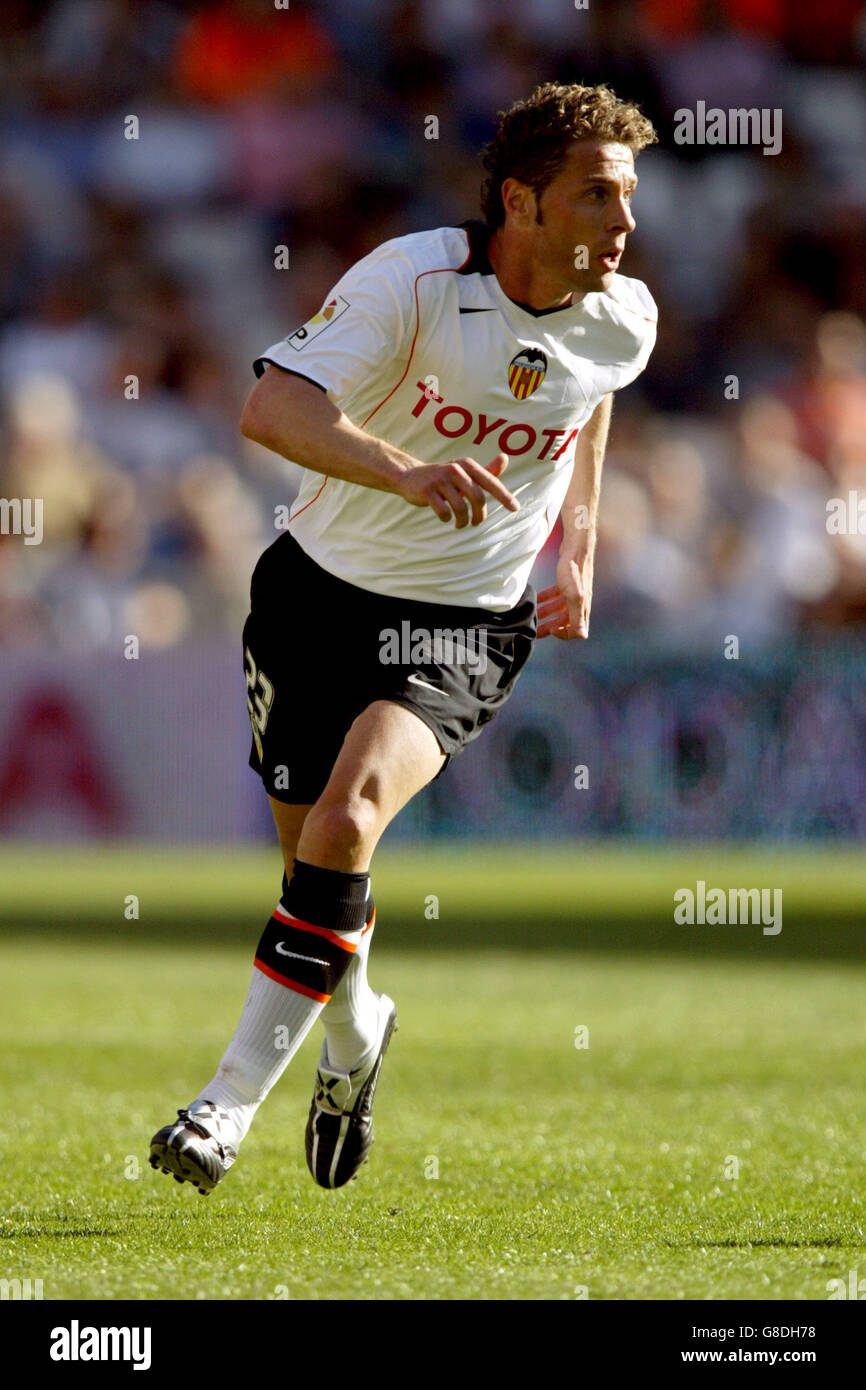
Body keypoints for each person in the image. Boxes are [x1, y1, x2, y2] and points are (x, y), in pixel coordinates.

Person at [149, 81, 657, 1194]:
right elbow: (270, 411)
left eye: (626, 199)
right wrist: (404, 470)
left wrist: (574, 549)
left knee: (345, 822)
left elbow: (592, 397)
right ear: (520, 202)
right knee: (315, 869)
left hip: (464, 622)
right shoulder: (411, 279)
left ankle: (220, 1110)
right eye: (597, 197)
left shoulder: (624, 311)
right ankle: (353, 1036)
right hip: (314, 598)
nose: (622, 224)